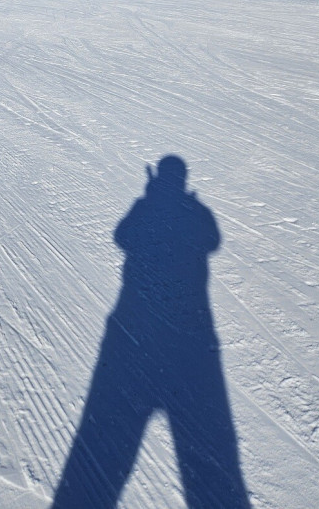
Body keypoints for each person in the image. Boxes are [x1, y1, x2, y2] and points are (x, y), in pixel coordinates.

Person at [52, 156, 250, 508]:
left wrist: (149, 201)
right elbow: (212, 241)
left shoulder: (148, 205)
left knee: (110, 436)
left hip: (136, 320)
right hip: (192, 328)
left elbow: (122, 236)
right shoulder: (195, 209)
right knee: (206, 444)